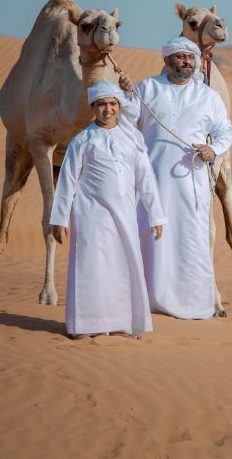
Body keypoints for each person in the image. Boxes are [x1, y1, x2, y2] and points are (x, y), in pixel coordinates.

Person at [119, 37, 232, 319]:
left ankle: (193, 303)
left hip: (190, 180)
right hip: (152, 178)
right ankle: (149, 299)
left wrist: (212, 149)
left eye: (190, 58)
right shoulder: (148, 88)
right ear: (167, 60)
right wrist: (126, 95)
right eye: (180, 57)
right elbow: (128, 120)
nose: (186, 62)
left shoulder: (208, 97)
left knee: (190, 239)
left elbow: (225, 132)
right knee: (151, 235)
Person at [48, 81, 168, 339]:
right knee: (91, 267)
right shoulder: (82, 140)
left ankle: (124, 322)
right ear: (93, 107)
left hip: (124, 215)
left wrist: (156, 215)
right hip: (90, 214)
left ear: (119, 106)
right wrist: (60, 219)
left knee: (123, 267)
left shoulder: (131, 141)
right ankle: (86, 325)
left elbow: (146, 180)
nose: (108, 109)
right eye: (102, 104)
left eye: (113, 104)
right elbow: (67, 180)